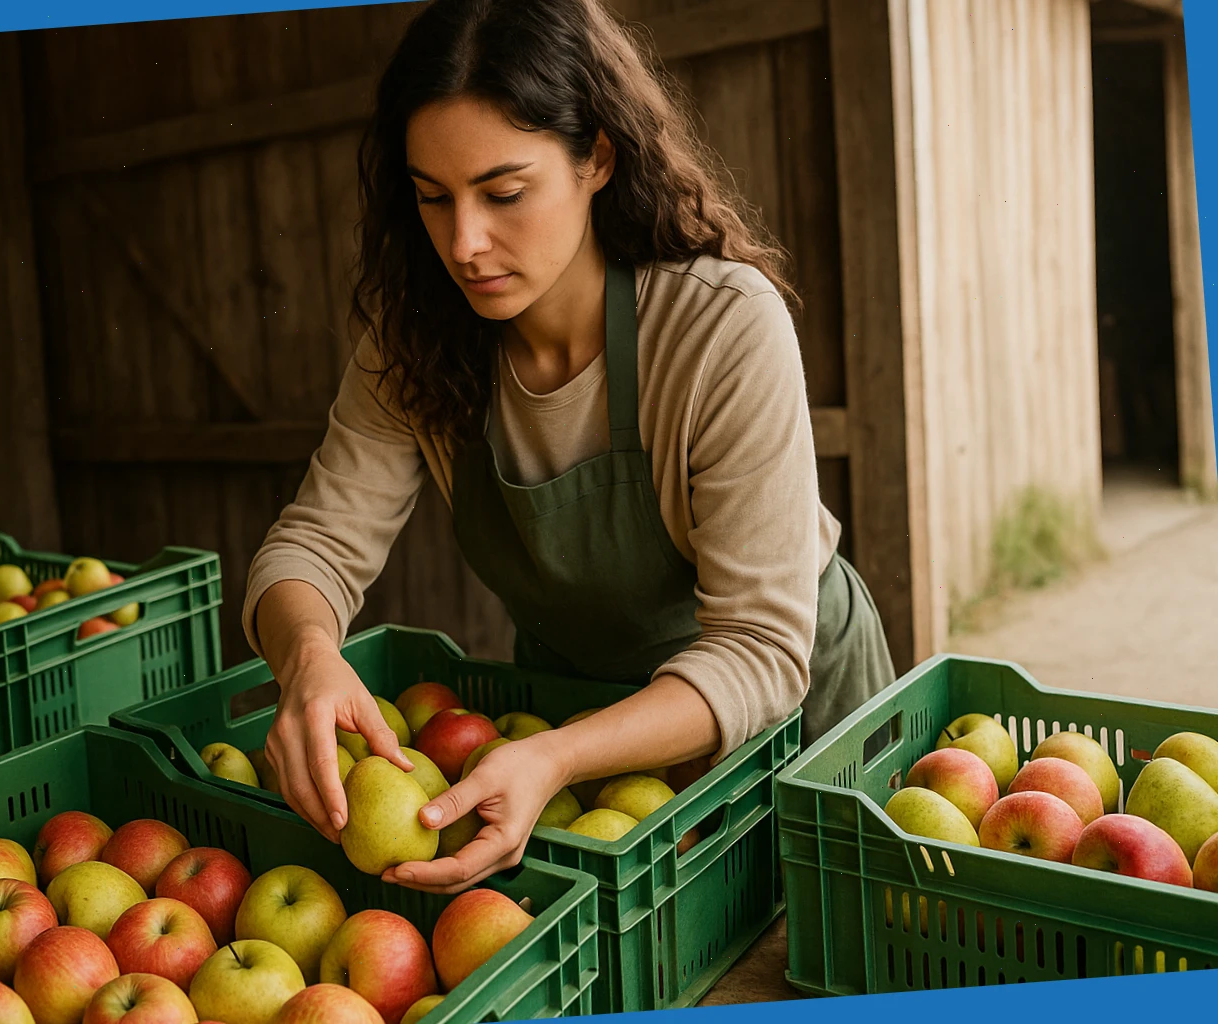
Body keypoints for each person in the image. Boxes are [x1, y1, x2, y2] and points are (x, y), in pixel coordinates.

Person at [242, 0, 895, 894]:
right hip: (571, 729)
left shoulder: (721, 328)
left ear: (597, 157)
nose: (465, 243)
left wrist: (561, 756)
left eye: (504, 193)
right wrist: (310, 657)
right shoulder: (415, 347)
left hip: (790, 721)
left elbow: (755, 648)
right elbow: (313, 545)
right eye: (433, 198)